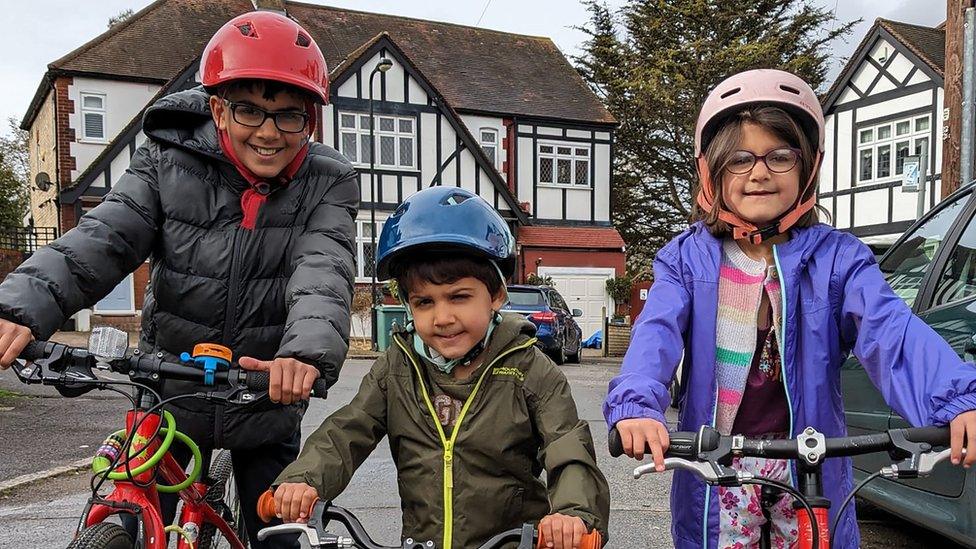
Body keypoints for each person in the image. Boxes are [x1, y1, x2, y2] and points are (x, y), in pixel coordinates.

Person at [0, 11, 358, 548]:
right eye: (248, 110)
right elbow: (104, 238)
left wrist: (303, 357)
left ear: (310, 119)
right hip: (170, 390)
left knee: (280, 535)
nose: (268, 132)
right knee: (138, 524)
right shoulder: (166, 160)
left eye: (289, 116)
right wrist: (20, 309)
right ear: (216, 108)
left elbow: (323, 270)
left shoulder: (328, 181)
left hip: (265, 392)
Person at [603, 68, 976, 549]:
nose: (759, 172)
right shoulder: (686, 259)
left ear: (808, 168)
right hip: (717, 464)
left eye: (779, 156)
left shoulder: (839, 260)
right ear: (711, 172)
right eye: (739, 159)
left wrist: (957, 400)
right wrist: (636, 404)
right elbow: (655, 335)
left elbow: (893, 334)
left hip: (810, 463)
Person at [266, 187, 610, 549]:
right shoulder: (398, 367)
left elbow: (568, 446)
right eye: (424, 302)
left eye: (459, 297)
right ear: (407, 305)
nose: (442, 317)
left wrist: (573, 513)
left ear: (496, 295)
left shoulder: (529, 369)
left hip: (512, 542)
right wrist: (305, 479)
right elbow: (349, 429)